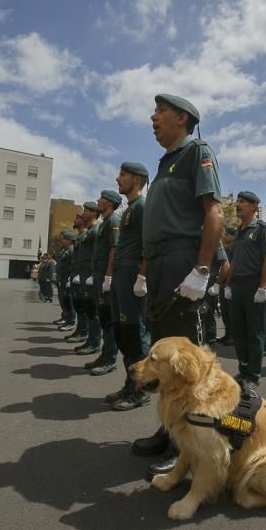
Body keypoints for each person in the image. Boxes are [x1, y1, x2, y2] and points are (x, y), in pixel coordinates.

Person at [131, 93, 223, 476]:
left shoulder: (195, 152)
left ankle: (191, 447)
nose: (153, 118)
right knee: (165, 359)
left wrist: (201, 270)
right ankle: (170, 431)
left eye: (161, 112)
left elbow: (214, 213)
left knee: (187, 363)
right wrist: (144, 272)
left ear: (182, 118)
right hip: (161, 265)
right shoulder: (165, 163)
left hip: (184, 261)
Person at [105, 163, 151, 410]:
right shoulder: (129, 209)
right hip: (122, 277)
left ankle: (140, 390)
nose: (117, 178)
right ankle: (129, 384)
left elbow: (149, 244)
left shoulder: (143, 207)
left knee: (135, 335)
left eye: (122, 175)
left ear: (137, 179)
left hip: (133, 276)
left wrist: (142, 277)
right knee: (123, 334)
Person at [224, 191, 266, 386]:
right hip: (237, 286)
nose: (238, 204)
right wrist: (228, 284)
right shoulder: (238, 232)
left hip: (254, 285)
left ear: (254, 206)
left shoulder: (263, 228)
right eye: (237, 201)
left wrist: (262, 288)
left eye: (243, 202)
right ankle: (244, 370)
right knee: (239, 331)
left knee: (255, 332)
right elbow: (234, 262)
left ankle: (253, 375)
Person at [86, 189, 122, 376]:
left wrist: (108, 275)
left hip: (105, 276)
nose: (98, 200)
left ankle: (110, 358)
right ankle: (104, 354)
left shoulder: (114, 221)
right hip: (99, 274)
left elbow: (113, 250)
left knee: (108, 320)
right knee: (103, 317)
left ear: (109, 203)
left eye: (102, 198)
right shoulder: (105, 223)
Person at [74, 202, 102, 356]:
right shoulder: (89, 231)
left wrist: (93, 274)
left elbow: (96, 254)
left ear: (93, 213)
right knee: (87, 308)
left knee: (93, 310)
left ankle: (95, 342)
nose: (83, 213)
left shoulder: (96, 230)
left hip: (91, 276)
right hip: (84, 275)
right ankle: (90, 339)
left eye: (86, 210)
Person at [65, 213, 89, 345]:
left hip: (84, 276)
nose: (74, 220)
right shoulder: (79, 237)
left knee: (84, 307)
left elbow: (87, 257)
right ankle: (80, 330)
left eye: (77, 218)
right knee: (78, 305)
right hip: (76, 275)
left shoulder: (87, 234)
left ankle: (84, 332)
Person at [204, 243, 229, 346]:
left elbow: (226, 264)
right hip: (195, 283)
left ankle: (210, 340)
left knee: (206, 313)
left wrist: (217, 284)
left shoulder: (215, 241)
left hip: (208, 285)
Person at [217, 225, 236, 345]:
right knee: (224, 311)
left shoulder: (235, 248)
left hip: (232, 283)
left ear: (232, 236)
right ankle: (228, 334)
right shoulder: (227, 248)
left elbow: (232, 267)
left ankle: (233, 336)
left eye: (226, 234)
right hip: (224, 283)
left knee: (231, 312)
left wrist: (228, 284)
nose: (224, 236)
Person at [55, 230, 77, 331]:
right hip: (62, 278)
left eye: (64, 238)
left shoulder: (72, 250)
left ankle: (71, 321)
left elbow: (73, 265)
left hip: (68, 279)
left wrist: (70, 278)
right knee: (63, 299)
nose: (62, 240)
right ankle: (66, 317)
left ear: (70, 240)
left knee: (69, 301)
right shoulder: (64, 250)